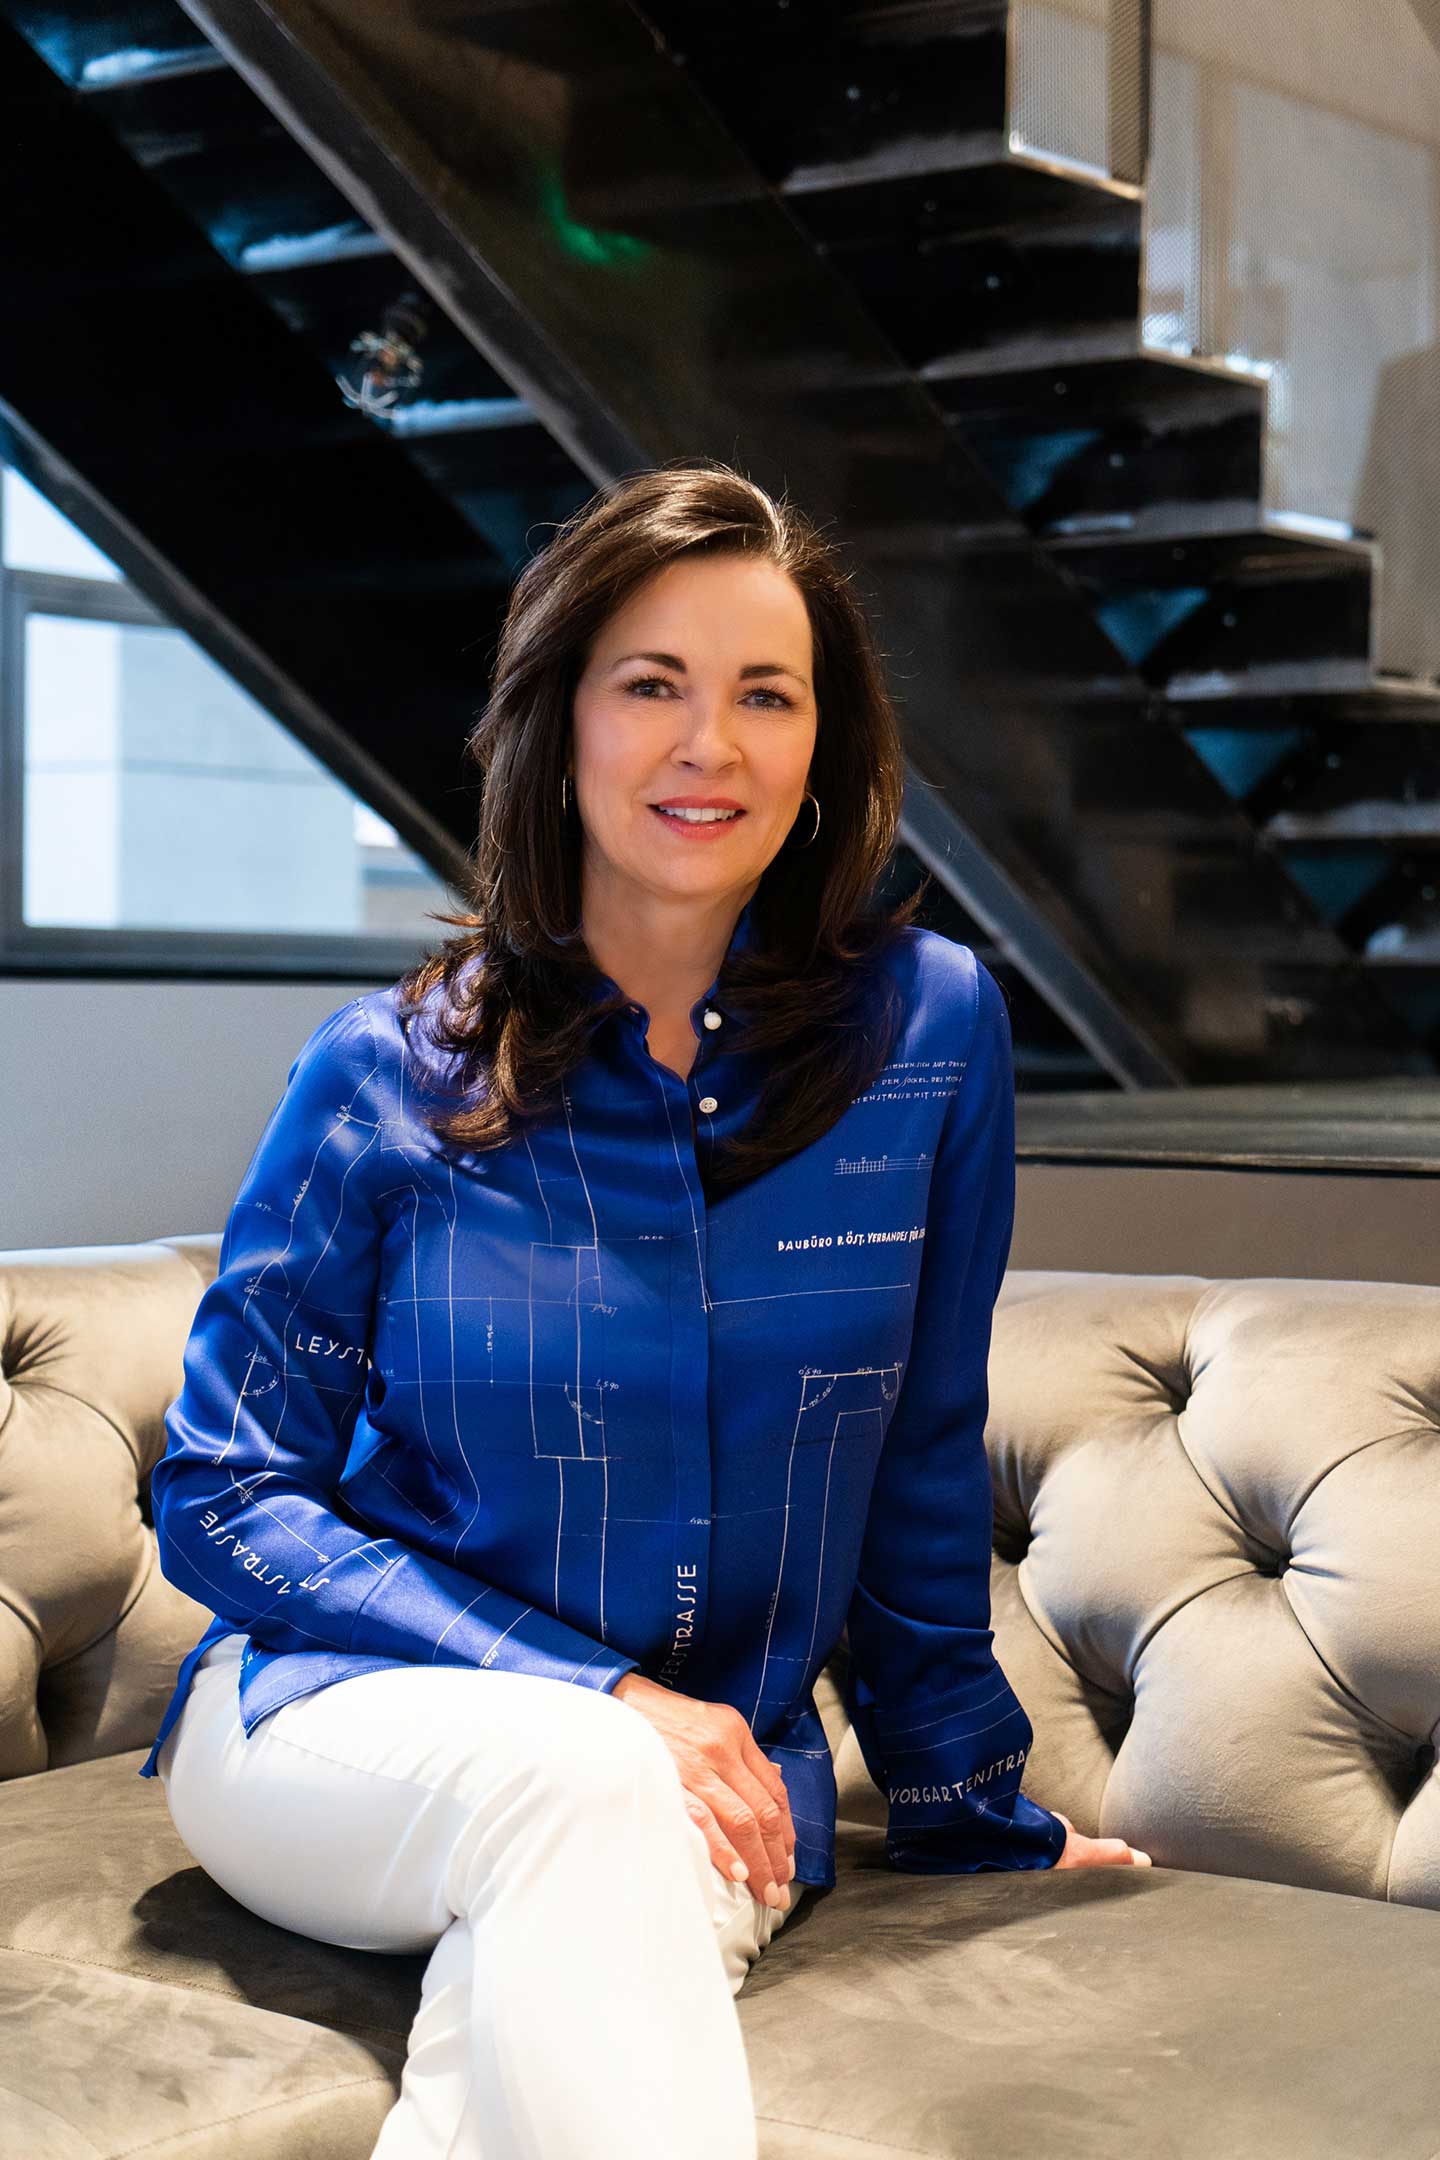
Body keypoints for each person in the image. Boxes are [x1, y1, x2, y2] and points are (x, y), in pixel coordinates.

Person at [138, 459, 1151, 2160]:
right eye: (653, 686)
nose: (714, 746)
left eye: (768, 694)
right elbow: (225, 1500)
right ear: (560, 724)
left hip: (713, 1787)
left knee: (531, 2021)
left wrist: (967, 1803)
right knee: (595, 1782)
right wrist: (594, 1694)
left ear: (824, 746)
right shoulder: (384, 1076)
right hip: (338, 1731)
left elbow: (918, 1448)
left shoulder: (931, 1036)